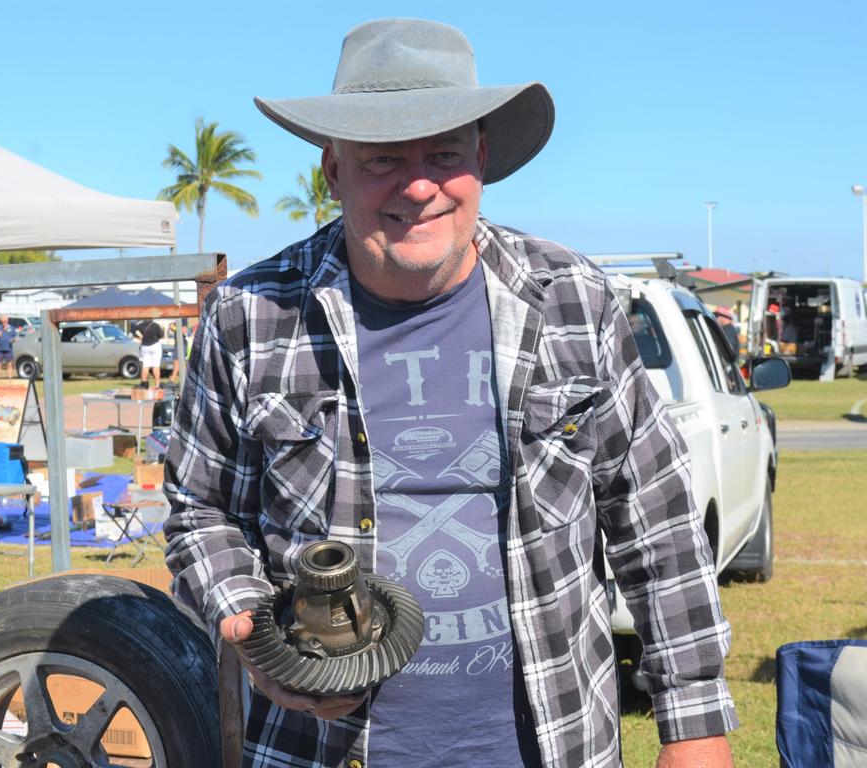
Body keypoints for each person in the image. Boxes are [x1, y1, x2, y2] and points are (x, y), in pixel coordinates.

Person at [163, 18, 736, 768]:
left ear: (483, 160)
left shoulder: (572, 300)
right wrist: (253, 629)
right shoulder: (251, 316)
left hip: (549, 743)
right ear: (332, 171)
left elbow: (653, 517)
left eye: (444, 153)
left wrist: (694, 727)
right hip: (323, 749)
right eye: (383, 159)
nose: (420, 185)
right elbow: (199, 507)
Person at [132, 317, 164, 388]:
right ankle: (157, 384)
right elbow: (161, 335)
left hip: (145, 346)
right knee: (156, 366)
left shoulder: (140, 326)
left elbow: (134, 331)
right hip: (155, 345)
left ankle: (144, 384)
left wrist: (140, 337)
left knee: (145, 366)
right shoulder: (155, 325)